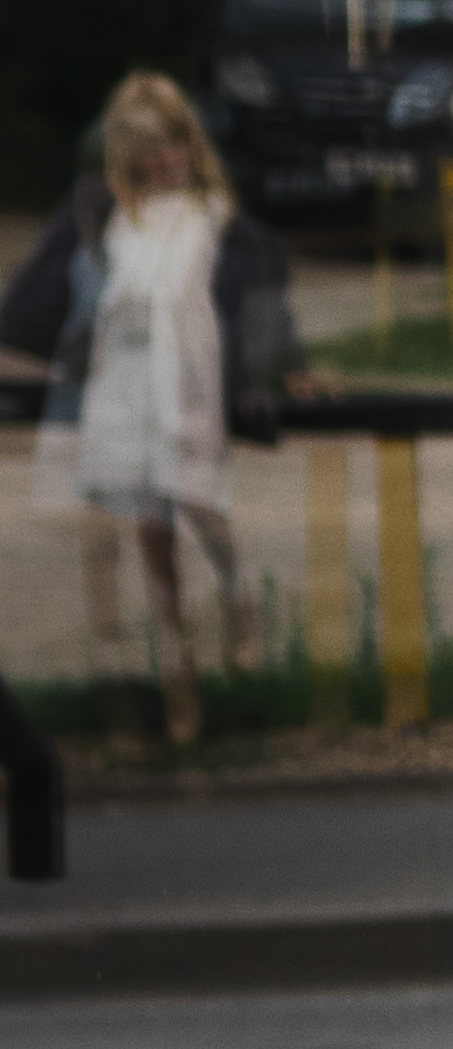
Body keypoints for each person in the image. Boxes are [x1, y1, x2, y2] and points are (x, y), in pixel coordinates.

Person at [2, 71, 294, 742]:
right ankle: (176, 679)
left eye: (172, 145)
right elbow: (69, 305)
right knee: (149, 544)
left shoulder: (213, 216)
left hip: (185, 391)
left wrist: (287, 367)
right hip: (121, 394)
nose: (162, 162)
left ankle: (237, 594)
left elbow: (259, 303)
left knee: (205, 510)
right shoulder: (113, 222)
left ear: (190, 144)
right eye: (146, 152)